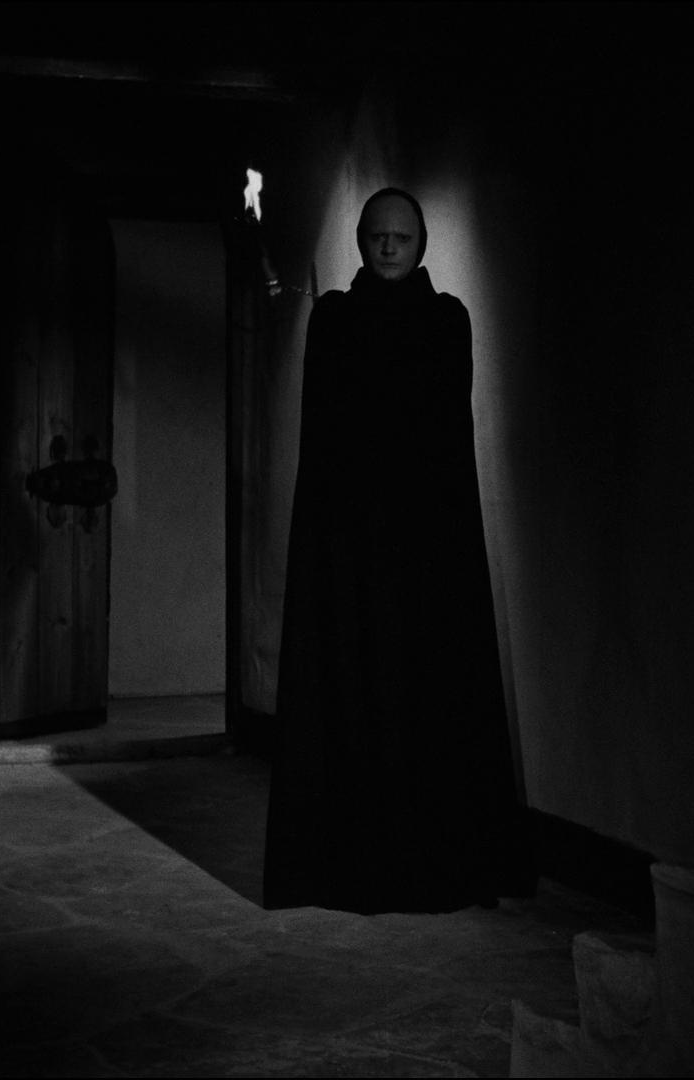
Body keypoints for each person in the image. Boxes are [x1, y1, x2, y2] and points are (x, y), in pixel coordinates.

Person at [264, 188, 533, 914]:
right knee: (355, 681)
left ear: (420, 244)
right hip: (350, 543)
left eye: (402, 236)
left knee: (427, 691)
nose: (388, 247)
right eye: (377, 235)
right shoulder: (333, 318)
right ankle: (353, 858)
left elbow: (445, 443)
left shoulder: (446, 320)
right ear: (360, 240)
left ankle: (434, 855)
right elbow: (326, 443)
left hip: (427, 546)